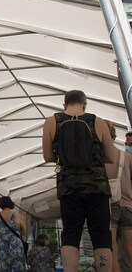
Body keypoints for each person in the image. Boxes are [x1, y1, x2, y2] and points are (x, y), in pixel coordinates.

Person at [42, 89, 117, 272]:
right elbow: (111, 156)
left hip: (68, 188)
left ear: (64, 104)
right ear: (84, 104)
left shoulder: (52, 121)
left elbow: (47, 156)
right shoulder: (98, 122)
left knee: (71, 234)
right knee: (100, 236)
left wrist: (63, 158)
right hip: (97, 188)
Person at [106, 122, 132, 272]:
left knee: (112, 246)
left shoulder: (99, 159)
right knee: (130, 246)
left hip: (109, 206)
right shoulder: (127, 157)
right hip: (128, 206)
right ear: (115, 137)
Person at [0, 196, 27, 271]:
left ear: (0, 205)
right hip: (16, 246)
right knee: (17, 267)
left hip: (2, 247)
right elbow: (24, 232)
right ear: (10, 203)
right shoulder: (17, 216)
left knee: (3, 267)